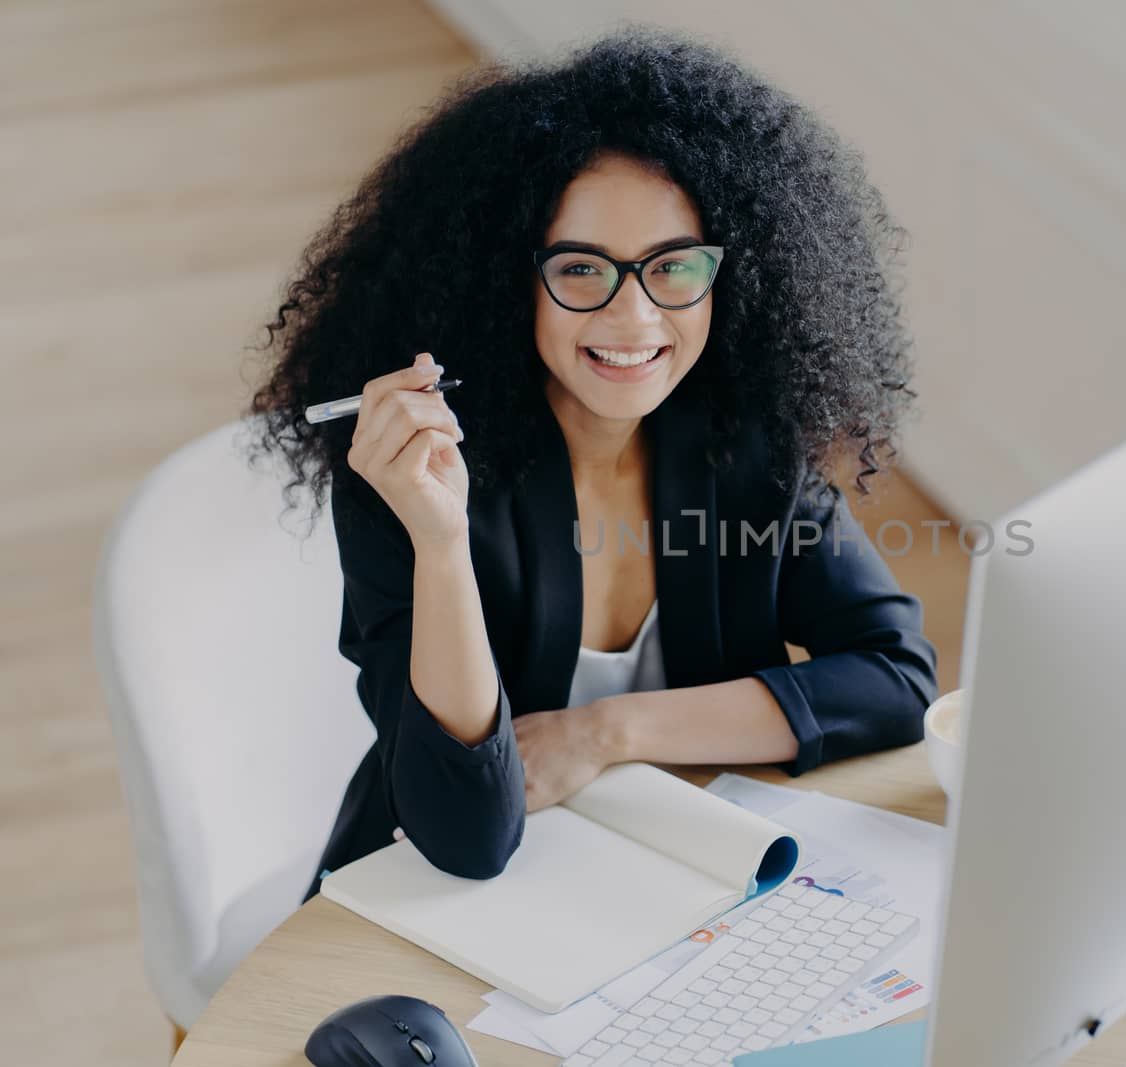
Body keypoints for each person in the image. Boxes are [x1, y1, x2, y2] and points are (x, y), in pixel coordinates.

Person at [242, 26, 938, 893]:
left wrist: (606, 731)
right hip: (429, 907)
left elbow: (893, 677)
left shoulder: (745, 440)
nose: (635, 319)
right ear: (507, 283)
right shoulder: (412, 475)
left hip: (664, 881)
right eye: (581, 270)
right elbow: (466, 835)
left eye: (673, 268)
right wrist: (442, 541)